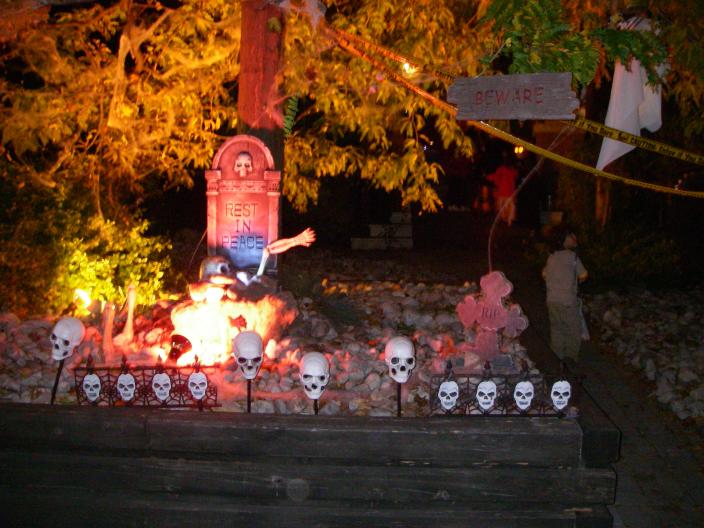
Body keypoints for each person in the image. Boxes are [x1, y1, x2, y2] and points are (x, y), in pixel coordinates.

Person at [542, 226, 588, 363]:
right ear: (563, 239)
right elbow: (583, 274)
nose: (574, 237)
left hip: (552, 300)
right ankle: (571, 357)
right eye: (571, 235)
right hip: (568, 301)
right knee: (573, 329)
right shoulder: (572, 257)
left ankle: (557, 355)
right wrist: (579, 279)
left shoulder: (552, 257)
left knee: (557, 329)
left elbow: (544, 274)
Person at [486, 151, 519, 226]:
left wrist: (488, 177)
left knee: (502, 207)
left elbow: (495, 177)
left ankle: (505, 220)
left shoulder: (502, 169)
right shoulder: (513, 170)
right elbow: (515, 178)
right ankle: (509, 221)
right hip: (510, 192)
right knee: (510, 207)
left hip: (503, 192)